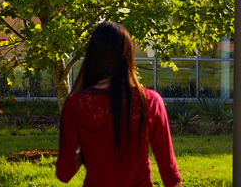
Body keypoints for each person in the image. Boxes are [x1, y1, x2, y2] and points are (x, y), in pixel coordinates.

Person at [56, 22, 182, 187]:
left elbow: (64, 174)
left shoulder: (77, 104)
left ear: (93, 56)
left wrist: (83, 153)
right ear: (128, 55)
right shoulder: (149, 101)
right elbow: (170, 174)